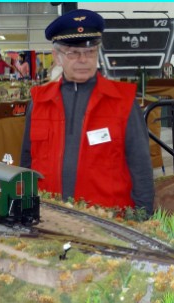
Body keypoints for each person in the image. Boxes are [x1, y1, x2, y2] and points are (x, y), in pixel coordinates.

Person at [20, 9, 154, 216]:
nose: (83, 59)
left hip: (109, 222)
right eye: (73, 53)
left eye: (90, 51)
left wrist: (143, 218)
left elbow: (141, 167)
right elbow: (26, 163)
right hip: (49, 218)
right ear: (57, 57)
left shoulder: (124, 101)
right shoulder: (39, 101)